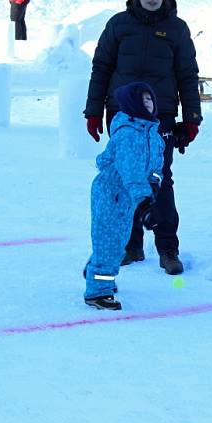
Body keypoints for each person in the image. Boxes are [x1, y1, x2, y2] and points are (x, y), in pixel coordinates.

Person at [84, 0, 202, 276]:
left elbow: (188, 75)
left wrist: (191, 118)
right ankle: (131, 245)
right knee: (126, 176)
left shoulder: (177, 29)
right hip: (121, 112)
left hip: (159, 114)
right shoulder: (118, 25)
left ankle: (167, 248)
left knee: (160, 177)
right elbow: (101, 68)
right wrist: (93, 110)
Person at [84, 82, 165, 310]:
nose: (148, 104)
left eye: (150, 100)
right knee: (109, 243)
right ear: (132, 105)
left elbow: (158, 166)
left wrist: (154, 184)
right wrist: (144, 201)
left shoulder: (152, 134)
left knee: (117, 242)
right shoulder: (129, 135)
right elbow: (131, 173)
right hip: (112, 193)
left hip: (129, 195)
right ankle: (98, 291)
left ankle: (96, 271)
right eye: (143, 101)